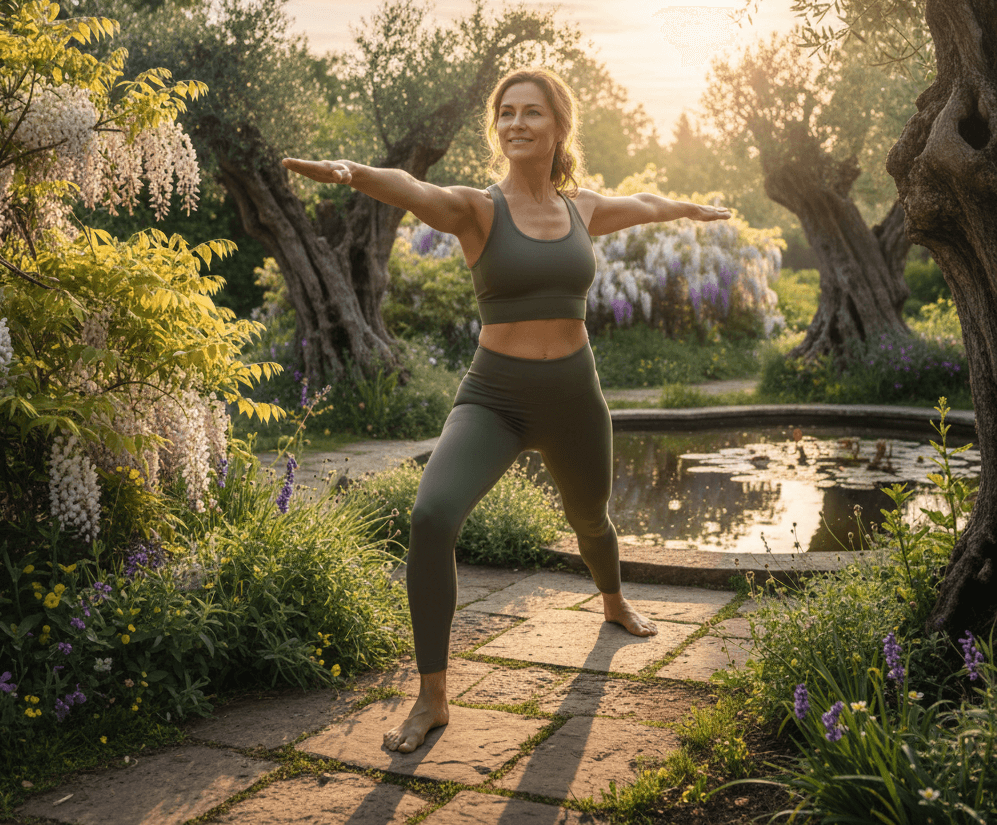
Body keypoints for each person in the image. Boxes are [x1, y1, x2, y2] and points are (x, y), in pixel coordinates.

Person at [283, 67, 730, 754]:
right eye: (506, 113)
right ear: (498, 130)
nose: (517, 123)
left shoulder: (583, 209)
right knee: (431, 517)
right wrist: (351, 172)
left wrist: (687, 210)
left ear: (558, 126)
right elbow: (413, 188)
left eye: (532, 112)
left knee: (592, 519)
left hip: (575, 398)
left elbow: (641, 199)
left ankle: (613, 602)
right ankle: (432, 697)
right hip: (494, 399)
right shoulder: (476, 210)